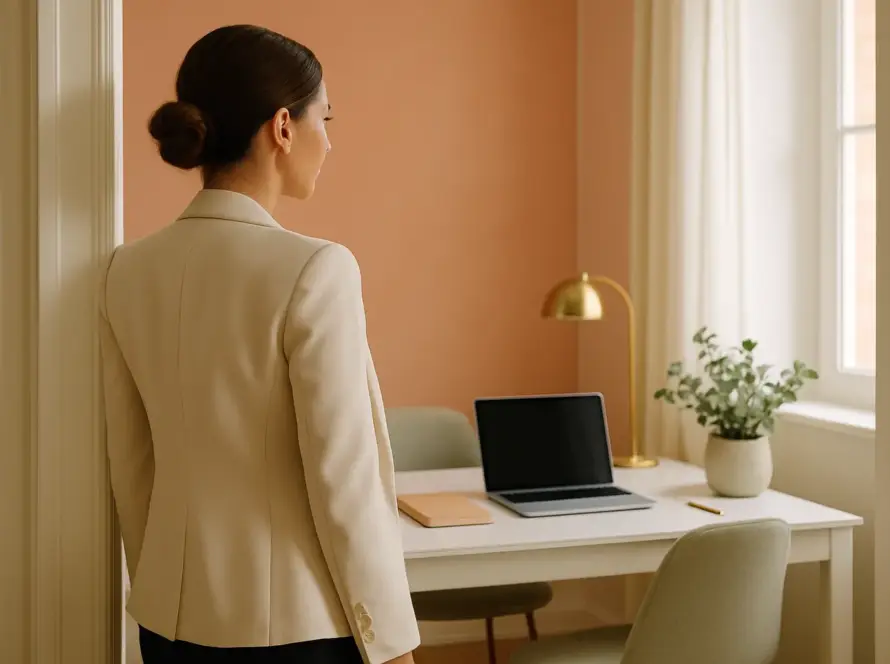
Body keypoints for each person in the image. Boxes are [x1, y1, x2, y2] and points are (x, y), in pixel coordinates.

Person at [98, 24, 420, 664]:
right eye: (325, 118)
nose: (329, 140)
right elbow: (343, 479)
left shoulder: (125, 271)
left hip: (168, 617)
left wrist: (158, 585)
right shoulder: (316, 268)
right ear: (283, 127)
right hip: (296, 625)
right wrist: (389, 642)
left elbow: (132, 463)